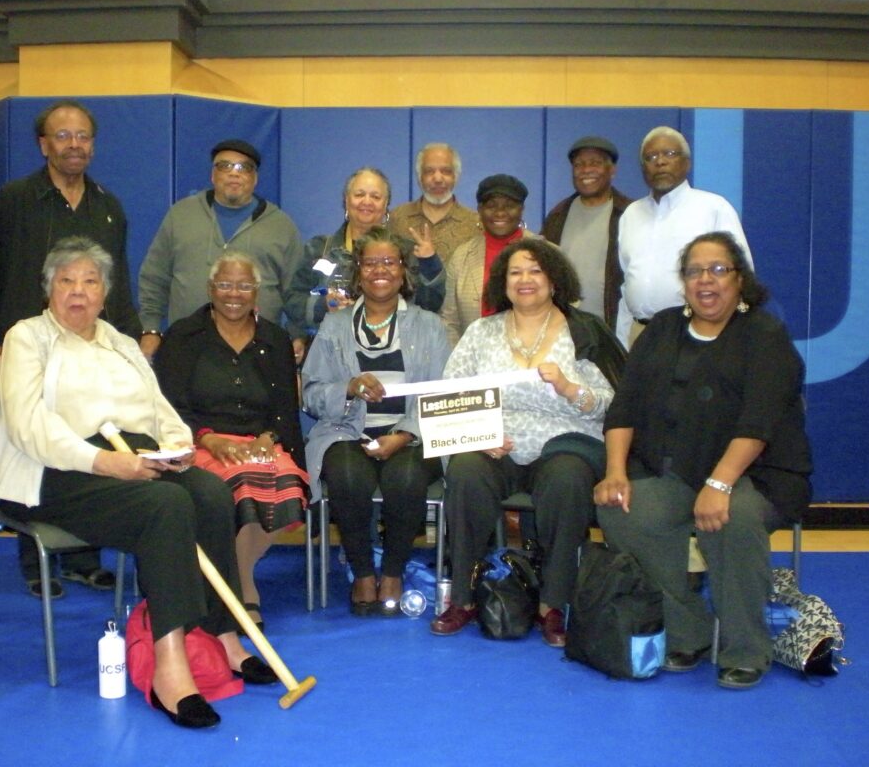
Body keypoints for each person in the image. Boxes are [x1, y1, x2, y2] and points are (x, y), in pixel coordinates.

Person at [0, 237, 280, 729]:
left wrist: (180, 449)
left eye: (90, 281)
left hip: (133, 459)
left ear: (105, 291)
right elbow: (32, 427)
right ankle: (170, 663)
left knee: (207, 492)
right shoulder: (27, 338)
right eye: (67, 281)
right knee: (165, 507)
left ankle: (223, 636)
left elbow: (160, 409)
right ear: (49, 288)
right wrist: (103, 462)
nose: (78, 291)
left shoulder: (119, 341)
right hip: (53, 470)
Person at [595, 231, 812, 690]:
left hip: (754, 472)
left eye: (718, 270)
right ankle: (687, 630)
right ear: (683, 281)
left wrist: (720, 484)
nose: (705, 281)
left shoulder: (764, 335)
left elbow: (759, 422)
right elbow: (625, 406)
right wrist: (615, 472)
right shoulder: (663, 329)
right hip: (675, 470)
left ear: (740, 279)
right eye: (695, 271)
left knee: (729, 520)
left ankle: (745, 649)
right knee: (623, 509)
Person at [0, 99, 140, 598]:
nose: (74, 144)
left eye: (83, 136)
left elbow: (117, 286)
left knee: (91, 446)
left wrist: (130, 346)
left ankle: (84, 556)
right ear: (43, 145)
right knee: (32, 449)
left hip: (90, 360)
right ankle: (35, 558)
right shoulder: (13, 201)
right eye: (63, 136)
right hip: (26, 357)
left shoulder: (108, 206)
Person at [430, 238, 626, 646]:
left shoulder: (583, 330)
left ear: (554, 280)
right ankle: (463, 598)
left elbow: (610, 405)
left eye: (535, 270)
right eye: (516, 272)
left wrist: (570, 387)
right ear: (503, 283)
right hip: (495, 443)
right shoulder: (481, 332)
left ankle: (551, 604)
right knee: (465, 472)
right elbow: (449, 397)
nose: (525, 280)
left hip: (564, 441)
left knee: (568, 479)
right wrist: (479, 435)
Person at [302, 227, 450, 616]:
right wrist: (347, 388)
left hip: (413, 435)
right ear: (358, 272)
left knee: (405, 478)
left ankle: (394, 572)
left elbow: (441, 394)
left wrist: (404, 434)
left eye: (389, 262)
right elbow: (311, 392)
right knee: (347, 476)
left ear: (404, 270)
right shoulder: (334, 327)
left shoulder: (429, 326)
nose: (379, 270)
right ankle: (364, 573)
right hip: (347, 432)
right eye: (370, 263)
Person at [155, 253, 308, 631]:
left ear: (256, 292)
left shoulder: (275, 338)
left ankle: (234, 581)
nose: (234, 294)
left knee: (287, 486)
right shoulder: (183, 336)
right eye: (225, 284)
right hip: (203, 444)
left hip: (261, 442)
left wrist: (268, 437)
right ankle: (245, 592)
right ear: (210, 289)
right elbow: (168, 407)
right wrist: (209, 440)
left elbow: (285, 408)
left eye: (243, 285)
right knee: (239, 486)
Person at [138, 138, 303, 359]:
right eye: (225, 166)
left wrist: (297, 334)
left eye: (244, 168)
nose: (234, 173)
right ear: (212, 175)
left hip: (256, 350)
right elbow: (154, 278)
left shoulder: (281, 226)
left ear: (255, 179)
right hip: (187, 347)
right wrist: (151, 329)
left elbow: (296, 290)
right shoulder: (181, 216)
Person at [616, 126, 752, 347]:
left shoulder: (713, 208)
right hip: (639, 335)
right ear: (643, 169)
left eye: (669, 154)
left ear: (687, 163)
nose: (660, 162)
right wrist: (622, 340)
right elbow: (627, 282)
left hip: (696, 333)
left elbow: (741, 278)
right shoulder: (631, 214)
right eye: (651, 157)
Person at [284, 167, 444, 338]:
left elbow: (430, 306)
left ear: (386, 205)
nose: (367, 202)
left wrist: (429, 263)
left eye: (375, 197)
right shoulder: (319, 250)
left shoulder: (407, 252)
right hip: (332, 351)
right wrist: (323, 306)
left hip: (395, 351)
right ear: (346, 200)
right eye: (359, 194)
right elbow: (292, 301)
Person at [541, 136, 632, 329]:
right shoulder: (557, 216)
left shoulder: (629, 214)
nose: (586, 170)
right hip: (562, 329)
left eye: (595, 163)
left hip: (613, 330)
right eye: (578, 165)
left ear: (612, 170)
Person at [440, 174, 541, 347]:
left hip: (534, 361)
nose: (500, 213)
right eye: (491, 206)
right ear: (479, 209)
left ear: (521, 209)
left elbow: (565, 311)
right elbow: (449, 321)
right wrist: (461, 363)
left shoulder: (546, 253)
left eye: (509, 206)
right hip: (476, 363)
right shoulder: (462, 256)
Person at [389, 142, 479, 264]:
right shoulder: (396, 219)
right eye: (429, 171)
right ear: (419, 177)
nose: (437, 179)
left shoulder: (476, 224)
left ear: (456, 177)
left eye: (446, 171)